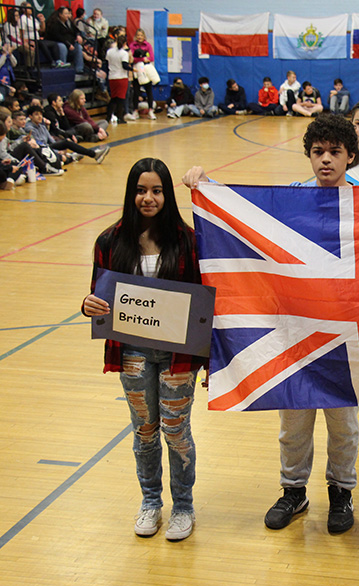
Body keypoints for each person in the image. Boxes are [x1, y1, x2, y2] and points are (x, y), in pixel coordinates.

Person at [182, 114, 359, 535]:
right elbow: (245, 221)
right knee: (293, 419)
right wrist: (206, 186)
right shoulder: (290, 198)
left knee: (344, 423)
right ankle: (293, 490)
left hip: (346, 332)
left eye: (335, 152)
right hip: (295, 330)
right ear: (308, 155)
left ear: (350, 156)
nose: (326, 160)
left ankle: (342, 491)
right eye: (318, 152)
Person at [82, 158, 204, 541]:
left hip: (177, 357)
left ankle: (183, 506)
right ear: (130, 193)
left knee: (175, 429)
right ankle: (151, 502)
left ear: (167, 194)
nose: (147, 198)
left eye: (156, 190)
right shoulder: (109, 241)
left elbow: (203, 307)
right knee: (144, 431)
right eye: (140, 190)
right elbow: (97, 298)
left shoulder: (188, 241)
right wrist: (88, 305)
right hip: (132, 352)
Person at [26, 105, 109, 163]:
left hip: (48, 147)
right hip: (41, 150)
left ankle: (74, 155)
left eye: (41, 114)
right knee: (66, 143)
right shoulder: (29, 128)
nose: (40, 116)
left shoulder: (41, 125)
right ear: (30, 116)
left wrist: (59, 148)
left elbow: (51, 141)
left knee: (66, 142)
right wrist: (57, 151)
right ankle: (90, 155)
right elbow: (39, 145)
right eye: (36, 115)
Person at [44, 6, 84, 72]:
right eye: (66, 13)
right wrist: (68, 44)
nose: (68, 15)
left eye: (68, 13)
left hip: (70, 43)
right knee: (62, 46)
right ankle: (63, 68)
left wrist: (78, 35)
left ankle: (79, 69)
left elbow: (76, 30)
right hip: (57, 43)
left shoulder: (68, 22)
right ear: (60, 14)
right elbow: (57, 36)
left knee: (78, 47)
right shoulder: (55, 23)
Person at [129, 28, 156, 119]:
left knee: (149, 91)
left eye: (141, 35)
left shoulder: (147, 45)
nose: (139, 37)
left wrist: (145, 59)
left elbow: (151, 58)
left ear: (144, 36)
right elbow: (131, 58)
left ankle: (151, 110)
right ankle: (135, 111)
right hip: (136, 69)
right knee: (136, 91)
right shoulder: (132, 45)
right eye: (138, 35)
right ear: (136, 37)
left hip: (145, 69)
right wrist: (141, 59)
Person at [105, 33, 130, 125]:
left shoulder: (109, 51)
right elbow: (125, 66)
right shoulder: (124, 53)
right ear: (125, 43)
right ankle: (120, 117)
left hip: (112, 77)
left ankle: (108, 116)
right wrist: (133, 69)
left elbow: (107, 62)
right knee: (121, 99)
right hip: (121, 77)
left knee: (113, 98)